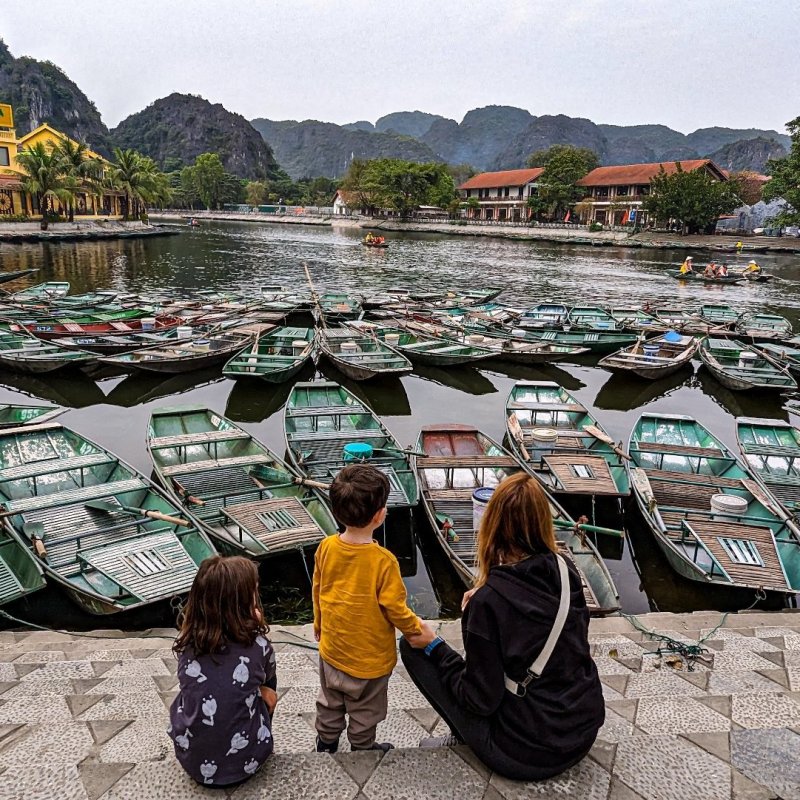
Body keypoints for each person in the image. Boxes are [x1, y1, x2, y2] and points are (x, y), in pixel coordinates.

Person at [401, 473, 605, 782]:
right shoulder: (566, 570)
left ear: (492, 524)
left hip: (525, 753)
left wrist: (436, 646)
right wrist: (485, 599)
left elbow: (479, 700)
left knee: (412, 647)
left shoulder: (489, 604)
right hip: (581, 731)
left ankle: (463, 737)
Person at [313, 464, 423, 753]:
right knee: (366, 709)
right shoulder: (383, 561)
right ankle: (362, 747)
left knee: (330, 700)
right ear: (379, 515)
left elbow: (319, 590)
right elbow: (395, 609)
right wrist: (415, 630)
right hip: (370, 659)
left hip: (332, 648)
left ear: (335, 511)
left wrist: (319, 624)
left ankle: (326, 741)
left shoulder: (326, 547)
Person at [169, 556, 277, 789]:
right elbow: (267, 675)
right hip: (247, 764)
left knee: (188, 694)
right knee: (268, 686)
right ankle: (258, 736)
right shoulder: (259, 646)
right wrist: (256, 629)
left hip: (192, 763)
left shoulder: (187, 645)